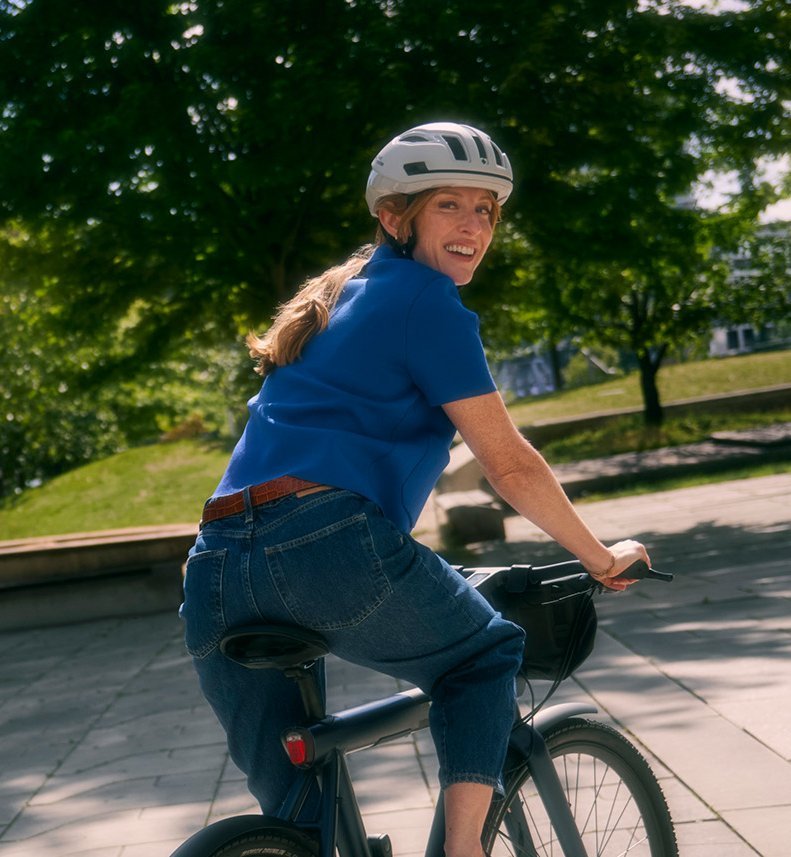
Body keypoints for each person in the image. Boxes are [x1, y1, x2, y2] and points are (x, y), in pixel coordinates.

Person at [180, 121, 650, 857]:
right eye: (448, 206)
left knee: (303, 824)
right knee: (485, 655)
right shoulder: (426, 300)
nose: (472, 227)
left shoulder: (335, 302)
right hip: (328, 544)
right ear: (395, 215)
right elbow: (509, 464)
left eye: (485, 211)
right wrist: (598, 555)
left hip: (213, 570)